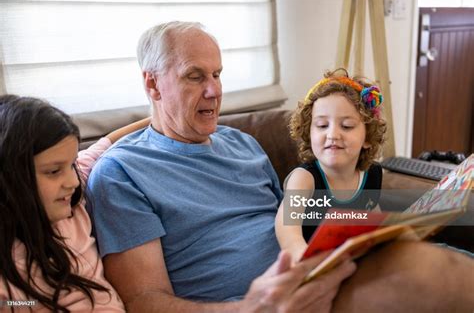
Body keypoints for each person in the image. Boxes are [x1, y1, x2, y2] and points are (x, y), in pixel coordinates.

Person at [87, 21, 474, 312]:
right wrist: (248, 308)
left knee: (451, 256)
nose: (214, 90)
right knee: (437, 276)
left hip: (320, 275)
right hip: (262, 303)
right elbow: (142, 301)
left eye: (217, 74)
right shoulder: (121, 172)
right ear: (152, 85)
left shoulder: (242, 143)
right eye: (195, 76)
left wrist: (378, 223)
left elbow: (294, 217)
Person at [0, 95, 149, 312]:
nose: (72, 181)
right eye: (53, 171)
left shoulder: (72, 201)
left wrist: (162, 118)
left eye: (71, 165)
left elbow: (108, 142)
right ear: (10, 176)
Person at [275, 69, 387, 261]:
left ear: (368, 137)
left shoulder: (373, 173)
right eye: (322, 125)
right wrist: (299, 253)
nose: (333, 134)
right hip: (312, 268)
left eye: (346, 126)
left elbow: (372, 216)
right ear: (308, 134)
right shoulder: (305, 179)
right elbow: (287, 225)